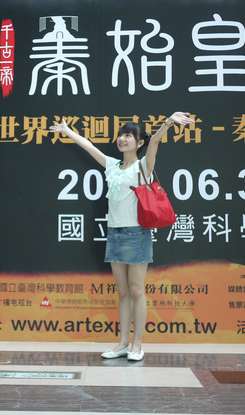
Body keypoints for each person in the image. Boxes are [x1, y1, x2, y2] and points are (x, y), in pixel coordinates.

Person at [50, 112, 194, 360]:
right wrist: (67, 131)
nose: (122, 139)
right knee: (123, 292)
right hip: (114, 234)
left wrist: (168, 122)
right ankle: (123, 344)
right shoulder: (112, 165)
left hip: (136, 234)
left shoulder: (143, 166)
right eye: (121, 135)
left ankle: (137, 345)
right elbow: (89, 147)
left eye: (128, 135)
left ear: (139, 142)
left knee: (137, 290)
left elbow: (155, 141)